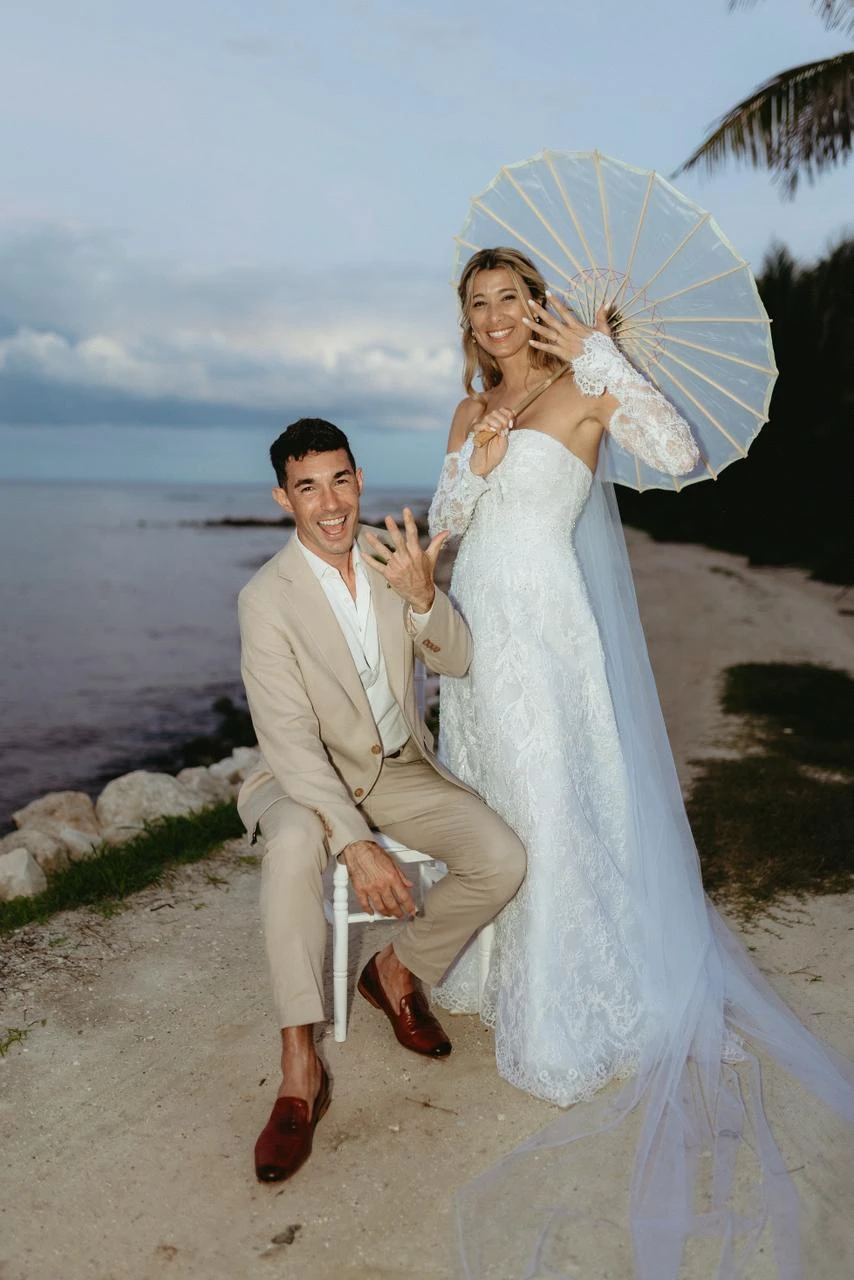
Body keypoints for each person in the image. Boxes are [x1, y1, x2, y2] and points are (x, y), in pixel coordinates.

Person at [427, 248, 854, 1278]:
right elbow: (442, 535)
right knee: (491, 804)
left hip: (550, 641)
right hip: (477, 640)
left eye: (511, 299)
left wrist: (606, 355)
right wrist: (470, 464)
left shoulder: (582, 383)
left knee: (554, 810)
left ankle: (571, 1009)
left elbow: (672, 447)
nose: (494, 317)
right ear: (466, 318)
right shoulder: (462, 409)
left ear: (539, 305)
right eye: (478, 303)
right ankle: (497, 967)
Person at [236, 416, 526, 1185]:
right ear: (283, 498)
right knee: (299, 844)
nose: (328, 503)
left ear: (359, 480)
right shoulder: (265, 600)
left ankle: (395, 971)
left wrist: (426, 597)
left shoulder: (391, 555)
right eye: (307, 488)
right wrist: (353, 842)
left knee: (503, 859)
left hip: (398, 771)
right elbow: (290, 742)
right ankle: (301, 1066)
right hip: (306, 780)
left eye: (339, 480)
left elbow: (457, 661)